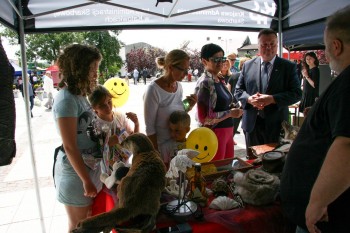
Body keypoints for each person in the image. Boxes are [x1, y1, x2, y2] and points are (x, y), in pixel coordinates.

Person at [280, 6, 350, 233]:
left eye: (326, 47)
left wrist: (319, 200)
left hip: (325, 215)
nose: (326, 55)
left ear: (336, 46)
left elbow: (347, 145)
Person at [52, 44, 103, 232]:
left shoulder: (79, 95)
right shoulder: (66, 100)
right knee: (78, 227)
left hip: (87, 169)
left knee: (87, 223)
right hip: (75, 175)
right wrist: (86, 180)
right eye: (92, 69)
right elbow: (70, 146)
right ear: (79, 69)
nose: (95, 74)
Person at [234, 29, 302, 154]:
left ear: (277, 45)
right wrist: (249, 99)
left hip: (276, 125)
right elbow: (238, 90)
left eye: (272, 44)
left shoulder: (288, 67)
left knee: (275, 164)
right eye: (264, 44)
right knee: (252, 163)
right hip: (252, 126)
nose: (268, 48)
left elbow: (297, 93)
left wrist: (272, 99)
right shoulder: (248, 65)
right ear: (258, 46)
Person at [144, 49, 197, 156]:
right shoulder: (153, 90)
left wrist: (188, 106)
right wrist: (156, 154)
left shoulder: (179, 87)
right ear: (171, 67)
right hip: (161, 149)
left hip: (177, 148)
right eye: (183, 70)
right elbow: (149, 128)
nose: (186, 74)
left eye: (187, 70)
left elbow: (176, 113)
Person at [195, 43, 243, 161]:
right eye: (216, 59)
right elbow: (205, 118)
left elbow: (224, 104)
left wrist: (237, 106)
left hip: (227, 131)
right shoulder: (205, 83)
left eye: (222, 59)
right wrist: (230, 113)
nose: (220, 62)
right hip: (214, 134)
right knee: (217, 172)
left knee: (227, 170)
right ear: (204, 61)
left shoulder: (219, 78)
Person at [88, 84, 139, 171]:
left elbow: (134, 139)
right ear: (94, 108)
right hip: (106, 172)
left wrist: (136, 124)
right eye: (102, 105)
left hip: (124, 166)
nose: (108, 106)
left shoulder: (119, 116)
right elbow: (91, 153)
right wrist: (106, 143)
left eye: (109, 101)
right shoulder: (94, 124)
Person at [227, 57, 252, 136]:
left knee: (232, 130)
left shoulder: (233, 76)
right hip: (248, 105)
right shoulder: (251, 77)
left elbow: (228, 91)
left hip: (236, 105)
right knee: (248, 132)